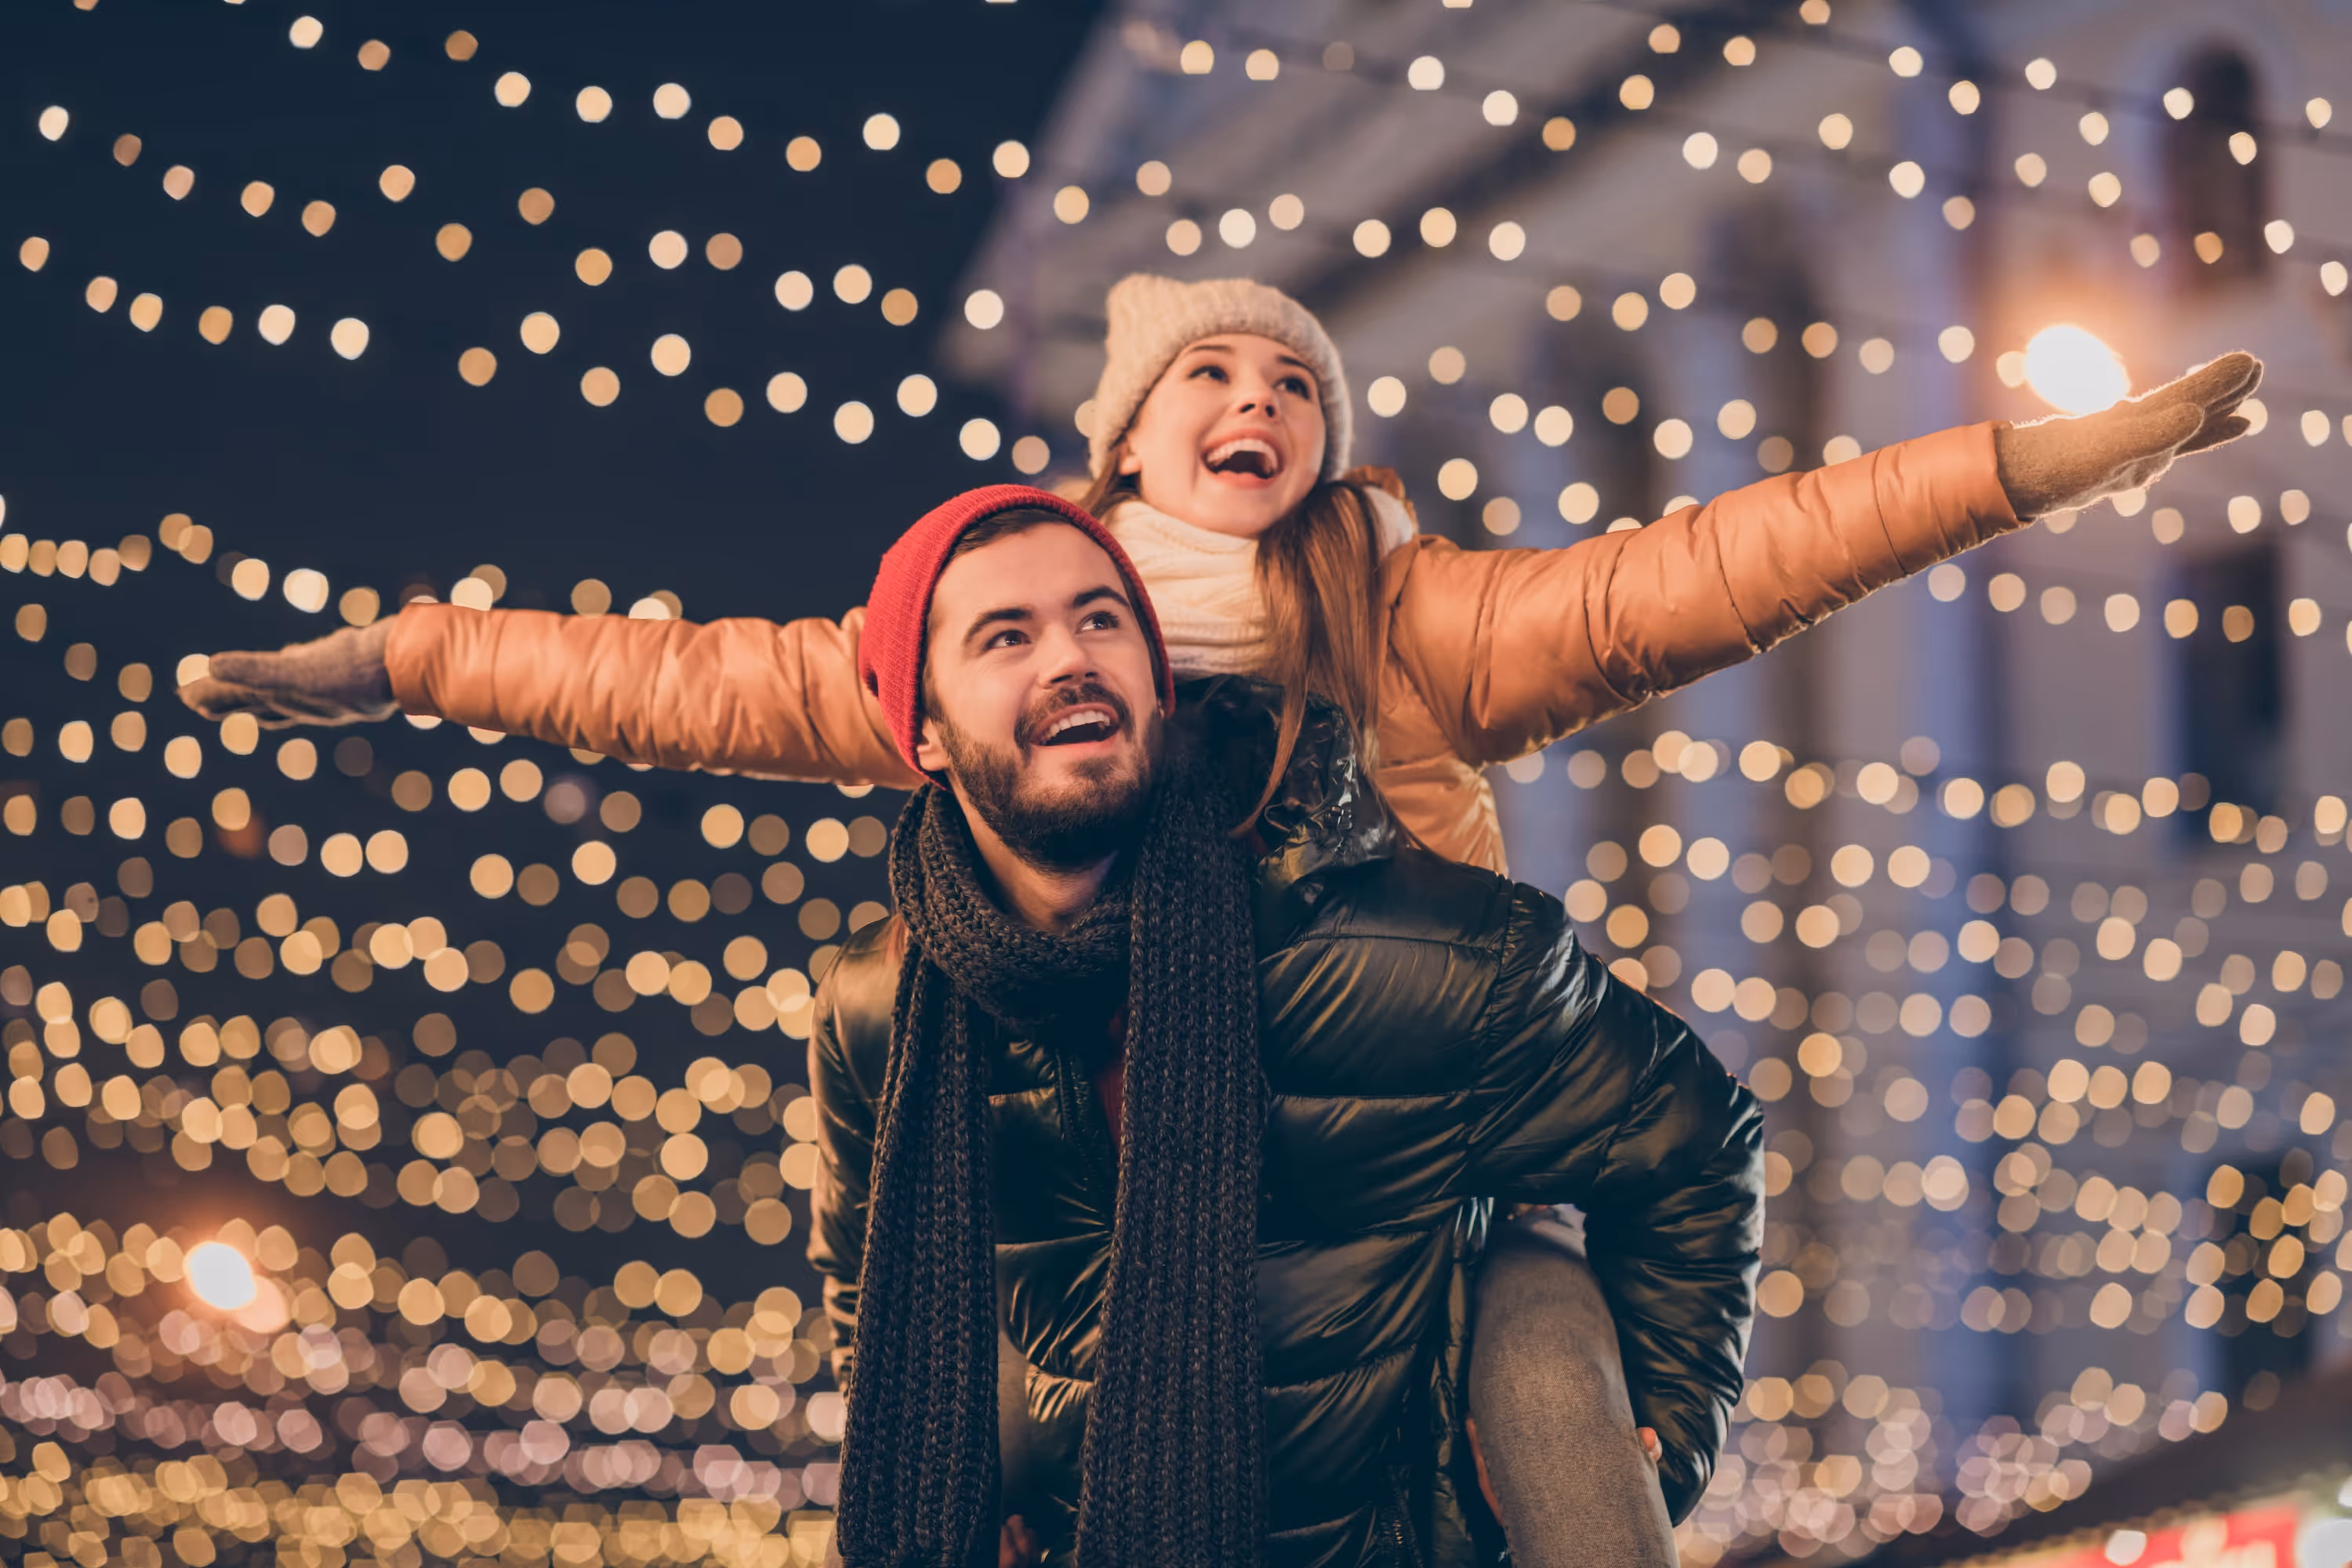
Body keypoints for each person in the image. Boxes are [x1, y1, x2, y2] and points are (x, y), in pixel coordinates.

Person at [180, 275, 2260, 1563]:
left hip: (1409, 1112)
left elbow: (1712, 570)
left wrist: (2022, 466)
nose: (1259, 398)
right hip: (1138, 1115)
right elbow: (671, 682)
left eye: (1293, 378)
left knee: (1547, 1351)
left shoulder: (1406, 610)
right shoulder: (997, 628)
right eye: (1213, 368)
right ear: (1129, 428)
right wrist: (414, 656)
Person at [804, 483, 1761, 1564]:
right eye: (1005, 636)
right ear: (924, 726)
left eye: (1100, 618)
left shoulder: (1432, 956)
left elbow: (1697, 1148)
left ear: (1153, 680)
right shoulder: (878, 1008)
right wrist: (970, 1489)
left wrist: (1656, 1455)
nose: (1068, 656)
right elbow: (867, 1281)